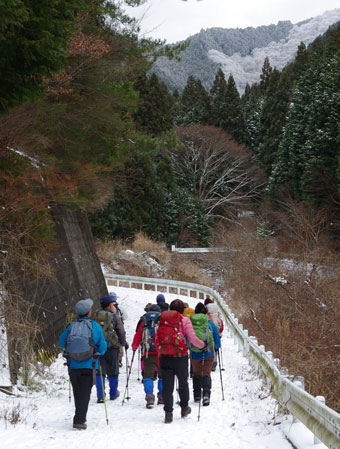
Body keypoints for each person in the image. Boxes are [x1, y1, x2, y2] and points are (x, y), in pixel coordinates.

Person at [59, 298, 107, 430]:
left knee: (77, 392)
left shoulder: (71, 326)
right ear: (89, 312)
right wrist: (98, 353)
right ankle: (79, 419)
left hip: (73, 365)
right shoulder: (95, 326)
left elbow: (60, 342)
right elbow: (103, 345)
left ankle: (79, 417)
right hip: (89, 365)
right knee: (85, 393)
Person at [157, 299, 205, 424]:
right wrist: (202, 345)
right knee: (183, 383)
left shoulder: (164, 320)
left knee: (167, 386)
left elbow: (157, 337)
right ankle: (184, 408)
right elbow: (192, 338)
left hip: (165, 356)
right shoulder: (184, 320)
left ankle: (168, 413)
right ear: (182, 310)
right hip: (180, 356)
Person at [94, 295, 128, 403]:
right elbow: (121, 332)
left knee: (100, 371)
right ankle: (113, 393)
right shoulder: (115, 317)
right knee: (113, 371)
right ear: (110, 305)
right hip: (113, 347)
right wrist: (123, 343)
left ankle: (100, 395)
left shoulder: (96, 317)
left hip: (99, 347)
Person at [132, 304, 163, 408]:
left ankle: (149, 398)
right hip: (160, 353)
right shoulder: (161, 321)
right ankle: (162, 397)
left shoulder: (144, 322)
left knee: (148, 376)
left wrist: (134, 346)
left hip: (147, 352)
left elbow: (138, 335)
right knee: (162, 376)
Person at [190, 302, 221, 406]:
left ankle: (197, 395)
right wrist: (216, 347)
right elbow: (216, 336)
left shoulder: (191, 322)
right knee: (206, 373)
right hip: (208, 352)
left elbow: (187, 336)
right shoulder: (209, 323)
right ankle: (206, 395)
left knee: (197, 373)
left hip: (194, 352)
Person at [109, 291, 128, 367]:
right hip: (119, 327)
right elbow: (125, 317)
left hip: (109, 328)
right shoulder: (120, 308)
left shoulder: (107, 307)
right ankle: (119, 359)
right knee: (119, 342)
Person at [205, 298, 224, 371]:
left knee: (209, 345)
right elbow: (221, 321)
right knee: (216, 348)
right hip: (218, 330)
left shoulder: (207, 309)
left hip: (210, 330)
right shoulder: (217, 310)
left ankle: (209, 362)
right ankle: (214, 364)